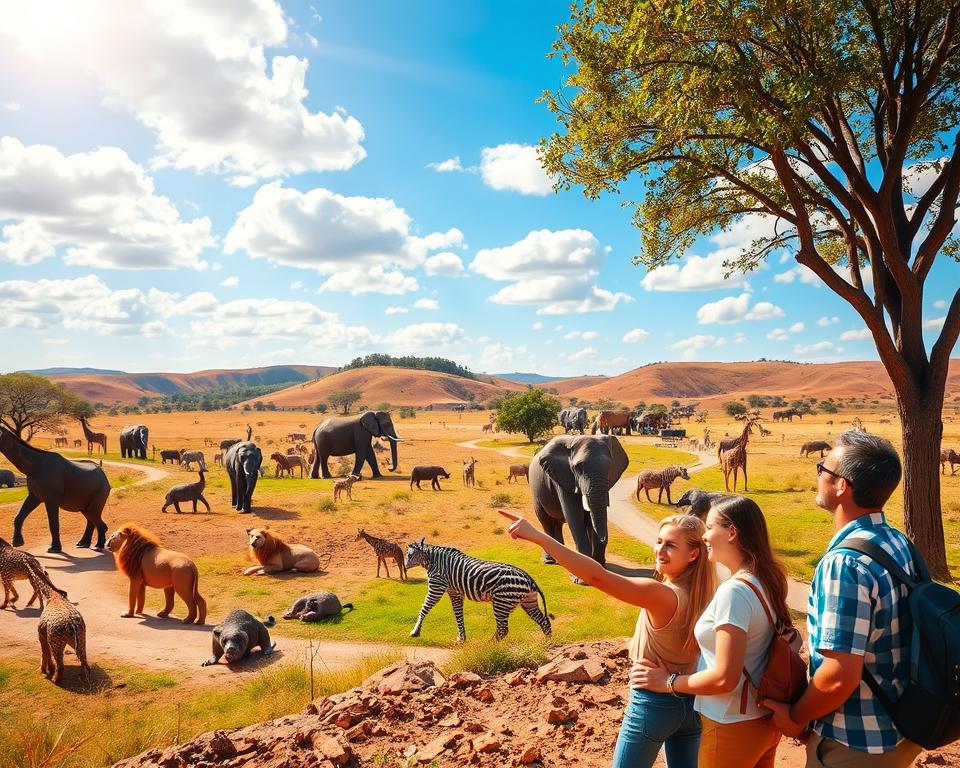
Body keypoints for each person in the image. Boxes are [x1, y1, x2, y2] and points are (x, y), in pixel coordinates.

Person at [499, 508, 716, 768]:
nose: (659, 550)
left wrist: (541, 538)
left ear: (693, 554)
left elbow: (595, 576)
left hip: (654, 704)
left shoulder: (661, 595)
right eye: (659, 541)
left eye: (670, 545)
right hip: (691, 707)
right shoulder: (707, 594)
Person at [763, 430, 923, 767]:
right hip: (902, 727)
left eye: (823, 469)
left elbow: (839, 675)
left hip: (856, 740)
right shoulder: (897, 541)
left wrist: (796, 716)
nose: (818, 475)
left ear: (841, 486)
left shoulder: (844, 564)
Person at [633, 495, 791, 768]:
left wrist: (668, 682)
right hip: (762, 722)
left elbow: (724, 679)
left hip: (731, 724)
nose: (704, 536)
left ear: (732, 532)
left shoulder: (735, 591)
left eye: (709, 527)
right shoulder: (766, 580)